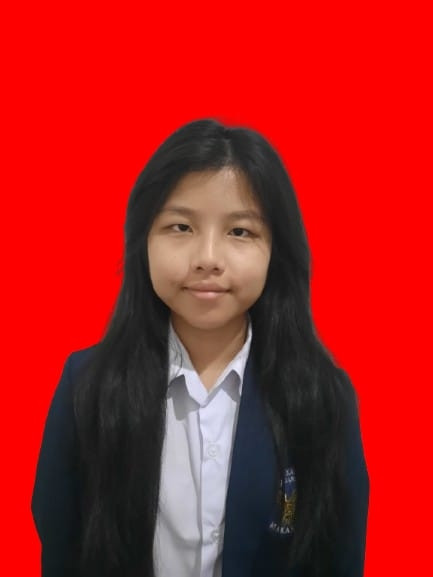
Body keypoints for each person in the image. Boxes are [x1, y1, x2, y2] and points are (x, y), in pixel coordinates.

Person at [31, 118, 369, 577]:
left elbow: (339, 555)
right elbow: (60, 542)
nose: (208, 258)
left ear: (276, 251)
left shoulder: (322, 397)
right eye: (181, 226)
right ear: (143, 242)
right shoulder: (88, 385)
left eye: (240, 232)